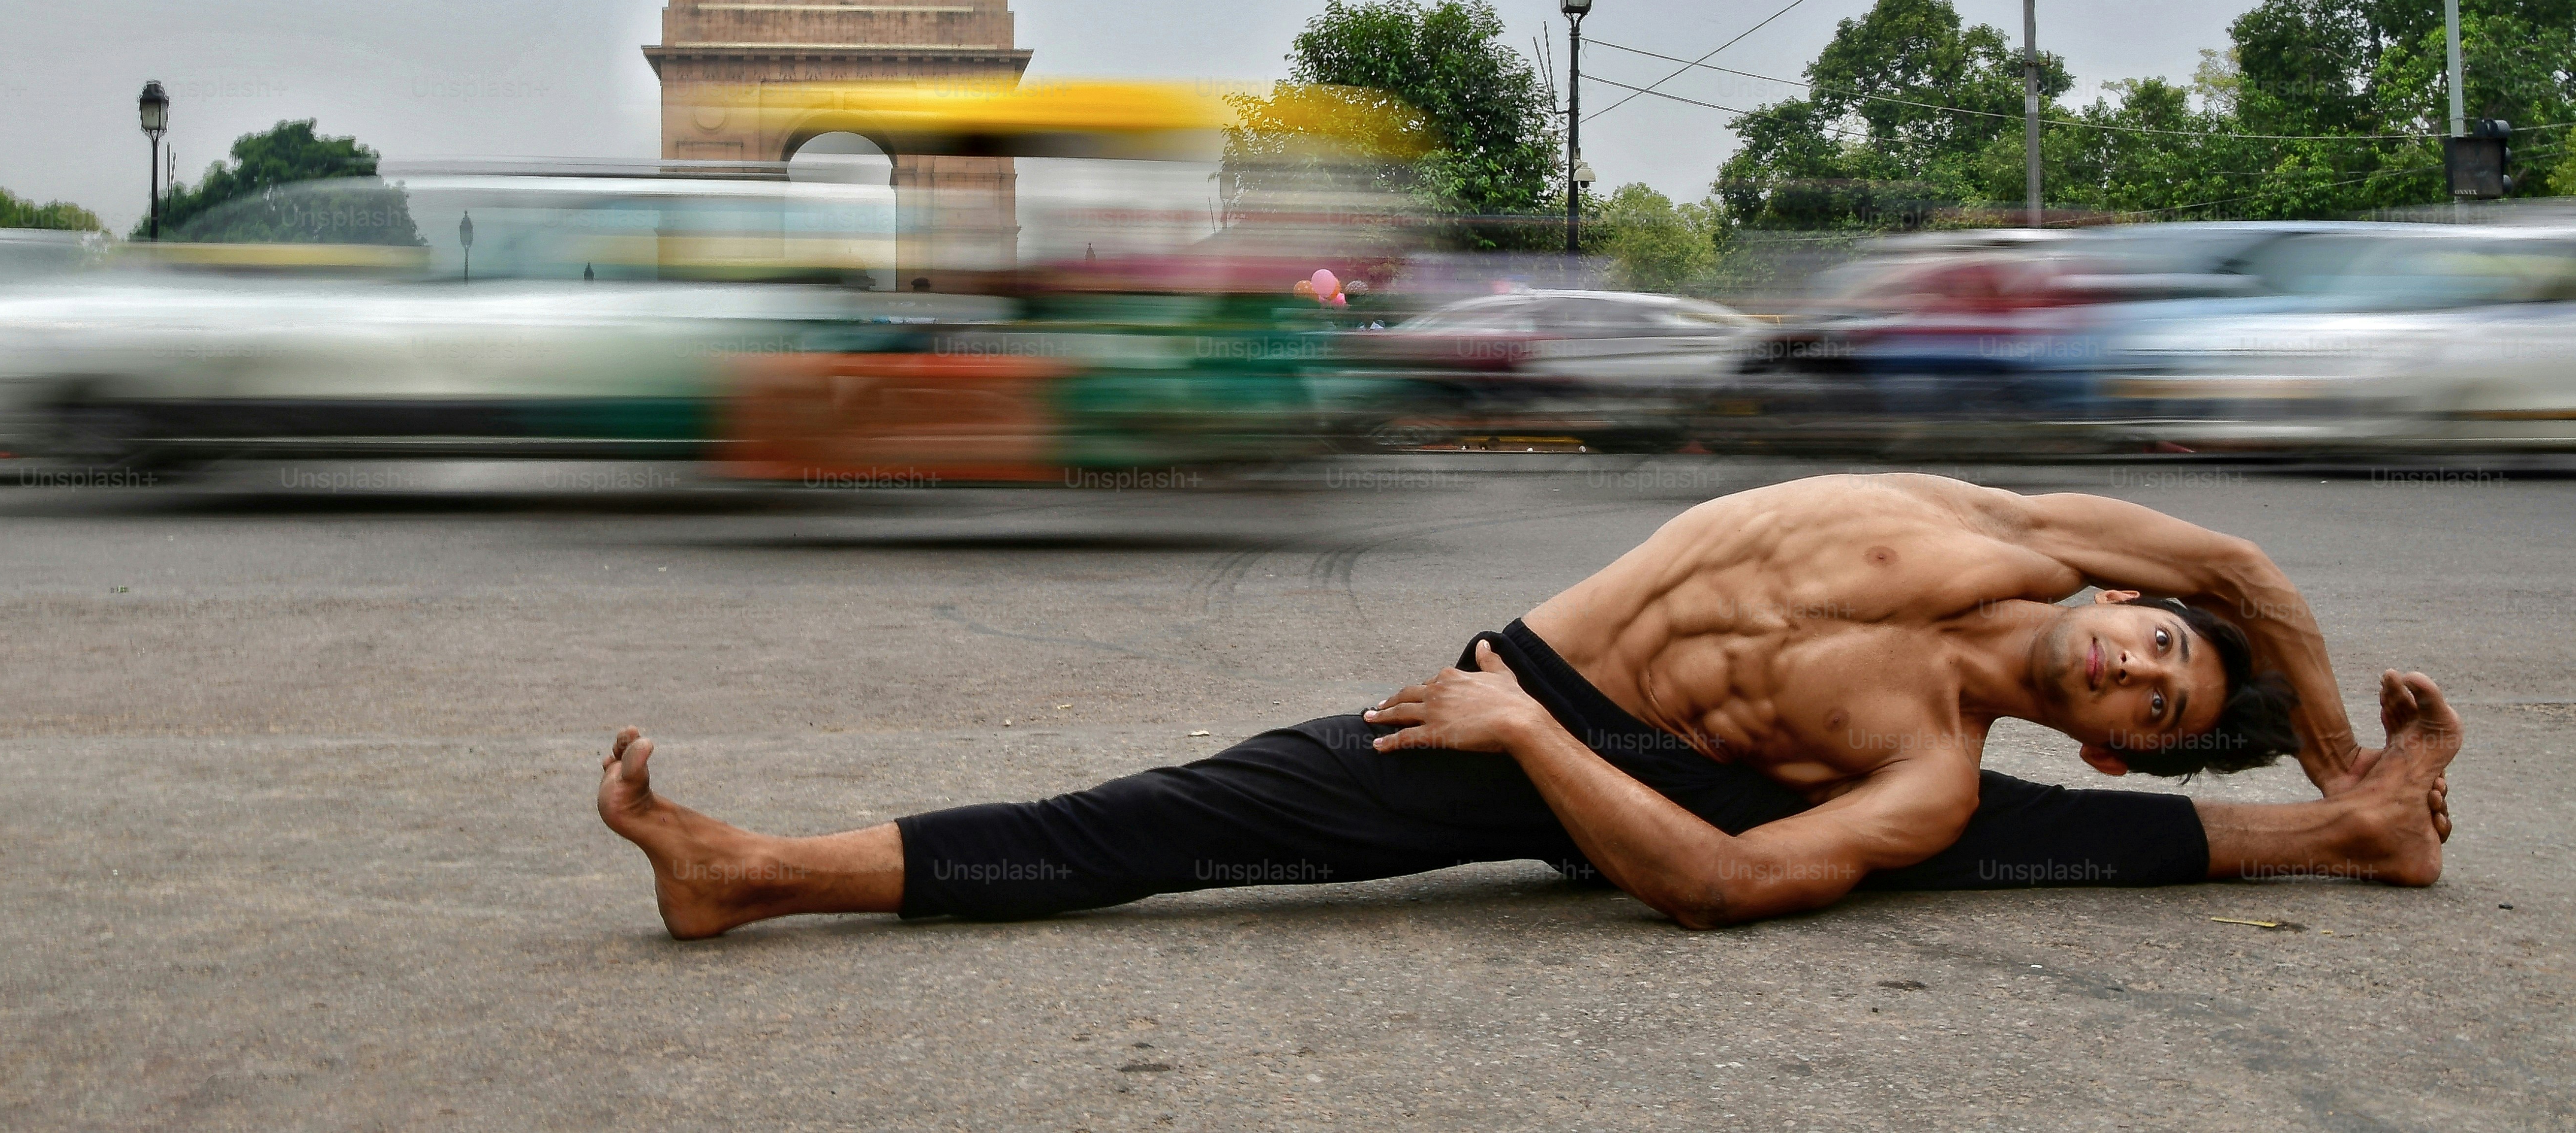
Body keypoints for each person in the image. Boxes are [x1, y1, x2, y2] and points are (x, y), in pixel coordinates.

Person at [597, 472, 2459, 938]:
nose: (2141, 669)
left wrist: (1529, 749)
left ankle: (2351, 835)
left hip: (1609, 764)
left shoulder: (1933, 766)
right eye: (2157, 642)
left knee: (1967, 846)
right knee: (1172, 816)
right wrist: (2330, 737)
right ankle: (753, 870)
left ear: (2109, 732)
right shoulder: (1998, 523)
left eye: (2154, 707)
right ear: (2127, 602)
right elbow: (2254, 579)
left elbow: (1725, 896)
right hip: (1544, 682)